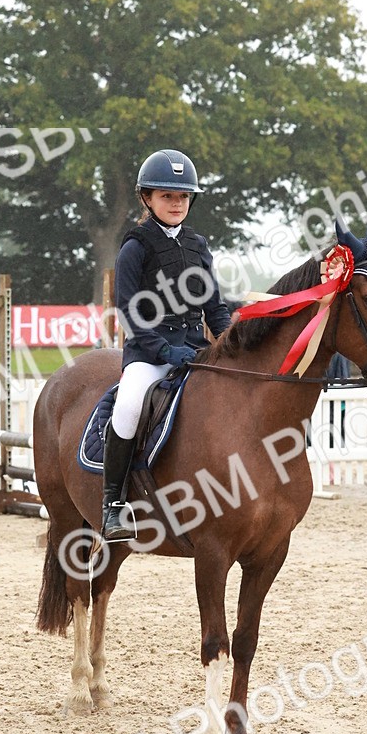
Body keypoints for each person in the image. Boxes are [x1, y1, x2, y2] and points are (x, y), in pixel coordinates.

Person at [102, 148, 232, 541]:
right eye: (167, 196)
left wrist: (230, 343)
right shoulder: (135, 247)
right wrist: (164, 351)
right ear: (147, 198)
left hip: (195, 350)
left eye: (183, 196)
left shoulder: (198, 245)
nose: (176, 204)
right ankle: (113, 505)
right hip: (149, 354)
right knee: (128, 407)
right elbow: (129, 311)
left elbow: (214, 307)